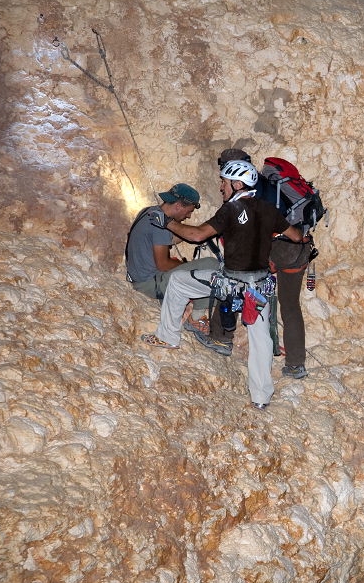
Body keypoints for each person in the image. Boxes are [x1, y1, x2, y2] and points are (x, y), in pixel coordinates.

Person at [140, 160, 306, 409]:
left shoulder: (229, 210)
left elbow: (197, 235)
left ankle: (168, 336)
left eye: (224, 182)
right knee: (261, 340)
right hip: (259, 286)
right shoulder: (268, 209)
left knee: (178, 281)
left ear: (237, 184)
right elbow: (296, 236)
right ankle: (260, 399)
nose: (221, 187)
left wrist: (166, 221)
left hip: (230, 282)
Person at [218, 148, 315, 380]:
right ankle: (295, 364)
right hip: (297, 250)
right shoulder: (272, 187)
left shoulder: (244, 197)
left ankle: (222, 339)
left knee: (229, 283)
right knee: (290, 305)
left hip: (275, 249)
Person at [124, 183, 219, 312]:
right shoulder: (160, 226)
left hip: (140, 278)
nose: (189, 216)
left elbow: (168, 239)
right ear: (179, 206)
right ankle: (198, 316)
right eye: (189, 211)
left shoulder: (149, 212)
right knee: (211, 264)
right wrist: (189, 266)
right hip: (150, 283)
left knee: (191, 268)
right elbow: (163, 265)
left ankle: (173, 302)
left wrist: (200, 233)